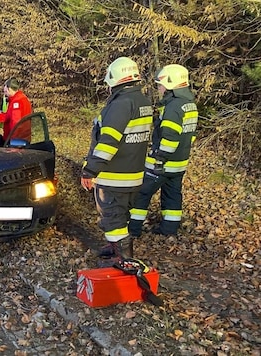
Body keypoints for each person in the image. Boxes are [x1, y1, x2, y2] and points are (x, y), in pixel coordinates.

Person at [81, 57, 153, 263]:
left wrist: (90, 170)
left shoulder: (121, 104)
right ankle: (115, 248)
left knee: (113, 218)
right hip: (133, 172)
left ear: (115, 80)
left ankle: (124, 262)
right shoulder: (143, 102)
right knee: (121, 215)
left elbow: (108, 143)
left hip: (115, 175)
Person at [128, 64, 198, 238]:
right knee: (172, 196)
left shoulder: (174, 107)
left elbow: (170, 137)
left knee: (142, 193)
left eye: (160, 84)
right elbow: (191, 136)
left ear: (170, 84)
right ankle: (169, 230)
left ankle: (133, 230)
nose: (159, 88)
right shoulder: (190, 104)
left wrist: (159, 157)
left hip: (163, 163)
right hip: (180, 163)